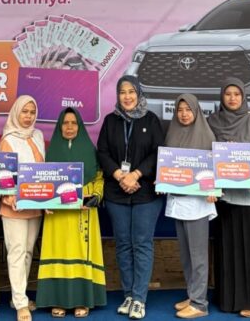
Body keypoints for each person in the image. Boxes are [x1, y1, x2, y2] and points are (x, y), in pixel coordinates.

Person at [97, 76, 164, 320]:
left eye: (131, 91)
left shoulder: (151, 120)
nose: (127, 96)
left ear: (139, 93)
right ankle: (128, 294)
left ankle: (139, 298)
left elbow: (158, 153)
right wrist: (119, 175)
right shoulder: (110, 121)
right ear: (117, 95)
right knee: (123, 244)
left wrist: (135, 174)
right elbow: (102, 152)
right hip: (117, 192)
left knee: (142, 243)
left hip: (145, 192)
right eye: (123, 92)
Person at [207, 77, 250, 318]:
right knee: (228, 250)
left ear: (244, 96)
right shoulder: (212, 122)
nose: (232, 98)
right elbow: (205, 156)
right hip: (225, 198)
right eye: (228, 94)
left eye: (237, 94)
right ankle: (229, 300)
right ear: (221, 97)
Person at [36, 107, 107, 318]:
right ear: (59, 126)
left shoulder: (90, 150)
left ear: (80, 126)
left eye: (74, 123)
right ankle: (57, 299)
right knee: (57, 250)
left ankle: (82, 300)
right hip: (57, 214)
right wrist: (44, 201)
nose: (69, 127)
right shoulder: (50, 152)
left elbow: (99, 177)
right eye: (65, 123)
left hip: (82, 211)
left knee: (81, 253)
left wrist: (96, 196)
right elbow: (42, 180)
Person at [163, 94, 217, 319]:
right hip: (179, 201)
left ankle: (200, 304)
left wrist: (214, 188)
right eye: (180, 109)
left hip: (198, 204)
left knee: (198, 257)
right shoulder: (172, 133)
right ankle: (193, 294)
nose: (184, 114)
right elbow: (168, 166)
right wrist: (163, 180)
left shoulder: (206, 135)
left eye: (188, 109)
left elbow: (215, 168)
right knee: (186, 255)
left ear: (197, 111)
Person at [0, 95, 45, 321]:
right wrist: (9, 196)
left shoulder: (38, 135)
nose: (28, 116)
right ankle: (20, 304)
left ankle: (20, 295)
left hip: (35, 205)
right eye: (24, 112)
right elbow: (3, 174)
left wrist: (46, 200)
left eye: (32, 112)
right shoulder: (8, 139)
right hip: (14, 206)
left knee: (27, 252)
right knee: (16, 253)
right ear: (16, 112)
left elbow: (43, 171)